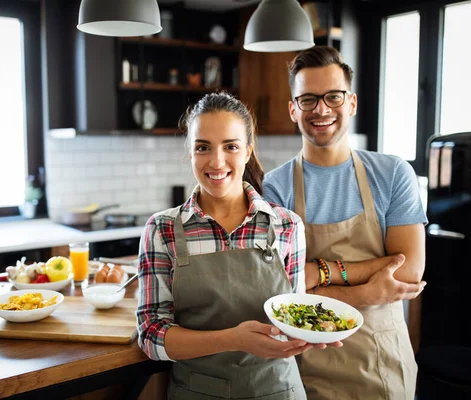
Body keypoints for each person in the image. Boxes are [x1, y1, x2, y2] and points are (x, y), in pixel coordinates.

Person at [136, 91, 340, 399]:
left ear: (247, 151)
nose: (217, 161)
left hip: (279, 390)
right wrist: (233, 339)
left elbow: (292, 313)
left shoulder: (286, 225)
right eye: (203, 147)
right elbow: (151, 336)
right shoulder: (162, 230)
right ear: (190, 153)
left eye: (230, 146)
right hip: (197, 392)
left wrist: (309, 332)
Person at [263, 45, 428, 400]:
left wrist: (319, 272)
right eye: (307, 99)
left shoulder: (392, 173)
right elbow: (282, 291)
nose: (321, 109)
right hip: (306, 366)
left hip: (381, 364)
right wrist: (365, 292)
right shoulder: (276, 186)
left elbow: (409, 271)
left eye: (333, 97)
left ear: (351, 103)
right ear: (293, 109)